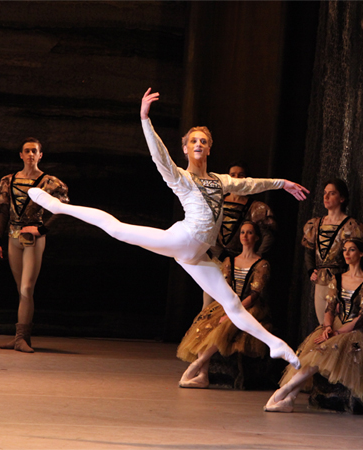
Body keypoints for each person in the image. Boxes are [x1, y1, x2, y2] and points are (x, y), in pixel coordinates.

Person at [29, 88, 308, 368]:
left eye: (204, 141)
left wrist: (282, 183)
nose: (199, 144)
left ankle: (275, 345)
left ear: (210, 148)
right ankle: (59, 207)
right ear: (186, 148)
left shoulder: (221, 181)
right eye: (193, 141)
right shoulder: (181, 178)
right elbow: (160, 157)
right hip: (183, 239)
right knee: (116, 228)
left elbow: (250, 184)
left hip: (196, 256)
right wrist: (145, 119)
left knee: (232, 303)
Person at [264, 239, 363, 413]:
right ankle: (290, 398)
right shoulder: (337, 278)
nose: (346, 253)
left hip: (355, 331)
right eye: (344, 249)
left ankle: (285, 390)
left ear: (361, 254)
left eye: (351, 250)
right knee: (311, 351)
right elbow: (329, 308)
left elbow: (361, 318)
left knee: (324, 352)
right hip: (335, 325)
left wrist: (337, 332)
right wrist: (328, 327)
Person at [0, 138, 69, 353]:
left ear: (40, 155)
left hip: (33, 238)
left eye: (34, 151)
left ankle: (20, 338)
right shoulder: (9, 180)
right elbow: (4, 212)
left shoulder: (50, 182)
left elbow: (62, 208)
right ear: (21, 155)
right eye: (27, 151)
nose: (30, 154)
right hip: (13, 236)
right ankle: (21, 338)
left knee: (27, 288)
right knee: (21, 290)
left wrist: (42, 229)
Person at [177, 221, 272, 388]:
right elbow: (223, 287)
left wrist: (235, 309)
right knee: (205, 325)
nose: (245, 236)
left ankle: (197, 365)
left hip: (248, 306)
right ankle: (203, 375)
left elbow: (254, 294)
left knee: (227, 324)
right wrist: (226, 307)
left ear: (256, 237)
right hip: (228, 302)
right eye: (242, 232)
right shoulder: (230, 261)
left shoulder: (262, 264)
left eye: (249, 233)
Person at [202, 161, 277, 309]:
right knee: (209, 306)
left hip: (243, 265)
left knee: (240, 305)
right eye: (233, 175)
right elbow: (208, 232)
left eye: (240, 175)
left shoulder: (256, 208)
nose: (236, 178)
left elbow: (268, 236)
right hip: (219, 261)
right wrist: (222, 255)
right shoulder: (217, 203)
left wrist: (254, 258)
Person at [303, 179, 363, 324]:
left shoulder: (351, 227)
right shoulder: (316, 224)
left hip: (341, 282)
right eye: (325, 193)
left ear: (342, 198)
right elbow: (309, 250)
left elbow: (356, 256)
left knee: (338, 325)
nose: (326, 197)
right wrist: (310, 270)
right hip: (321, 281)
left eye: (331, 194)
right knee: (323, 326)